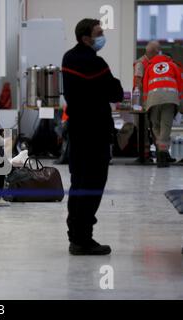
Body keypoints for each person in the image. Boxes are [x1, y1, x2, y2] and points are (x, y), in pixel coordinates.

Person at [62, 18, 124, 255]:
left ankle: (76, 236)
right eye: (99, 33)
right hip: (94, 132)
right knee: (93, 184)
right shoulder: (94, 62)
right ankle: (83, 239)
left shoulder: (68, 58)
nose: (102, 36)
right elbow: (116, 91)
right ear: (86, 37)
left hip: (77, 130)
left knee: (79, 183)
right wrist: (109, 85)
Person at [143, 53, 183, 167]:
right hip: (170, 99)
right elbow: (180, 84)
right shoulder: (172, 65)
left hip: (153, 100)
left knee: (155, 126)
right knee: (165, 126)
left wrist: (146, 103)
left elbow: (145, 86)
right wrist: (180, 101)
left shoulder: (149, 67)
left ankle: (161, 151)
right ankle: (162, 153)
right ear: (167, 58)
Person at [133, 41, 161, 162]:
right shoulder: (141, 63)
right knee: (143, 128)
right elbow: (138, 83)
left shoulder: (152, 63)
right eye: (158, 51)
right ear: (154, 52)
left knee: (155, 127)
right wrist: (138, 104)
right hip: (142, 102)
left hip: (150, 100)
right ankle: (144, 156)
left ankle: (161, 154)